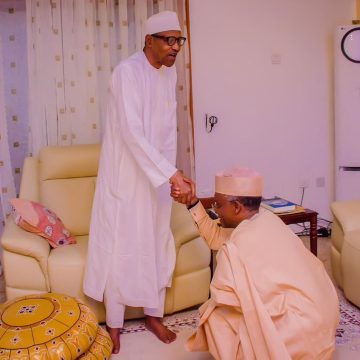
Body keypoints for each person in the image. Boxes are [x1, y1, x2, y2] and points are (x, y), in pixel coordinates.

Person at [83, 11, 192, 354]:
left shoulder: (169, 72)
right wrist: (170, 172)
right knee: (122, 245)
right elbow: (132, 132)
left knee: (156, 241)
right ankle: (114, 323)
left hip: (156, 178)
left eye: (179, 40)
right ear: (149, 40)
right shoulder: (126, 73)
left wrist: (170, 173)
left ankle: (153, 314)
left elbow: (166, 133)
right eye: (169, 40)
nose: (175, 47)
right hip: (126, 177)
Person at [172, 167, 339, 359]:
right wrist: (193, 203)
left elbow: (223, 298)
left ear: (236, 207)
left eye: (218, 205)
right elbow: (216, 236)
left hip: (298, 334)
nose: (215, 210)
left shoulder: (236, 247)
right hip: (323, 320)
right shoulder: (267, 219)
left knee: (213, 318)